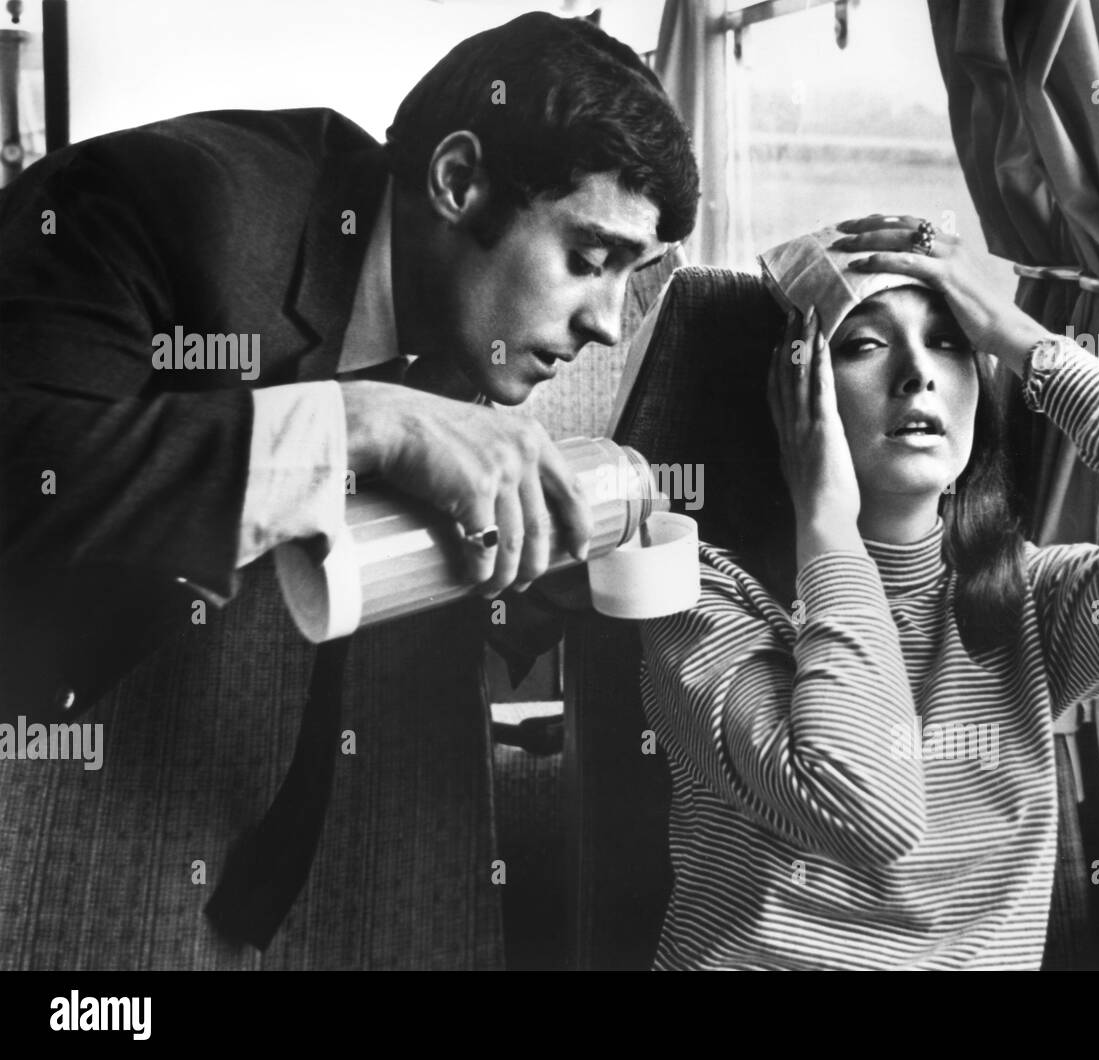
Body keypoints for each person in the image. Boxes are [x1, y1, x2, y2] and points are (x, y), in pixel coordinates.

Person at [0, 12, 697, 969]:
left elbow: (366, 564)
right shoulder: (163, 199)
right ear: (457, 181)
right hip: (73, 795)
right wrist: (363, 420)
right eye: (589, 259)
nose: (610, 325)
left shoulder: (472, 324)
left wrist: (523, 605)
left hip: (356, 854)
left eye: (635, 274)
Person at [639, 216, 1099, 970]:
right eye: (864, 343)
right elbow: (868, 809)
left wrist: (1023, 341)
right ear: (788, 394)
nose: (919, 373)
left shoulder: (1026, 602)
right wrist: (828, 523)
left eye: (950, 341)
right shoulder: (703, 599)